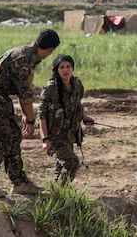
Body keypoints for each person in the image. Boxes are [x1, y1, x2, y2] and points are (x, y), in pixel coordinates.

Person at [0, 29, 60, 198]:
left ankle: (19, 182)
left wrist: (27, 116)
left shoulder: (27, 55)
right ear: (49, 50)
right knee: (2, 140)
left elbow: (21, 91)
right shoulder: (24, 60)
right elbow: (24, 94)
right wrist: (31, 120)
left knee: (13, 137)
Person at [38, 54, 94, 186]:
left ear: (72, 68)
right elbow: (41, 114)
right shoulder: (51, 89)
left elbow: (77, 104)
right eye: (62, 67)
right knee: (72, 163)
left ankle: (57, 194)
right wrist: (45, 140)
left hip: (70, 133)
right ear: (56, 70)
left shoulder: (77, 84)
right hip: (55, 135)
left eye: (68, 66)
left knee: (61, 166)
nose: (65, 70)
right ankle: (62, 190)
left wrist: (84, 117)